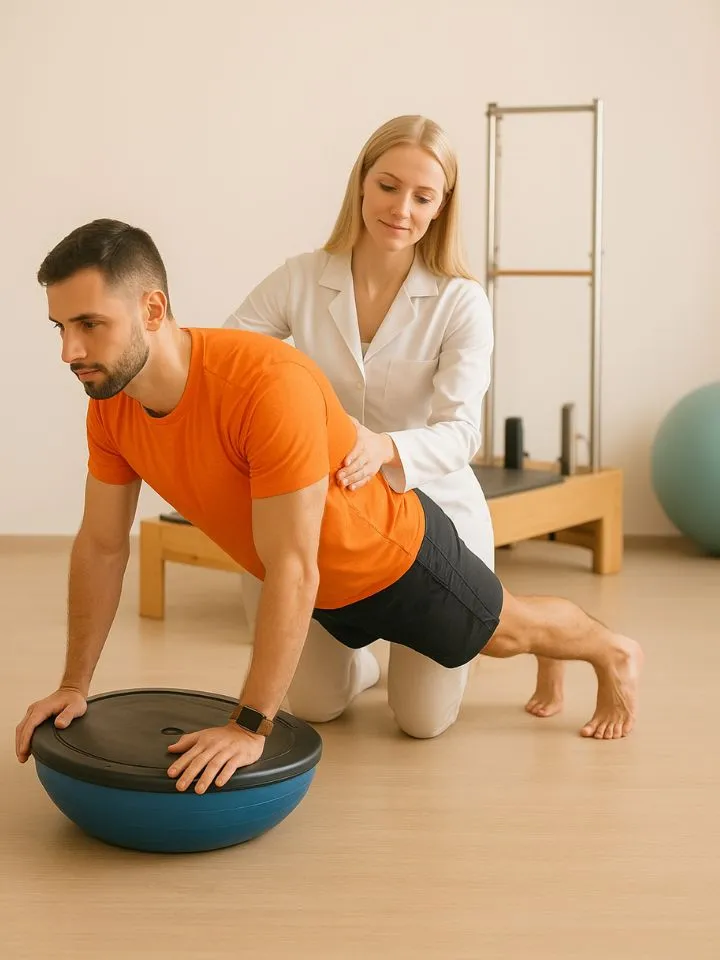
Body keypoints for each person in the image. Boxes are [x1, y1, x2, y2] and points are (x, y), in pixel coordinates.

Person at [15, 219, 643, 797]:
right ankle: (420, 655)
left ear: (152, 310)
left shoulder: (265, 386)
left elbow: (294, 565)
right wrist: (73, 686)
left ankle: (604, 649)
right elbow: (102, 545)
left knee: (480, 662)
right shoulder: (112, 405)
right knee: (316, 704)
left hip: (395, 559)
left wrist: (248, 726)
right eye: (60, 328)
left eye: (89, 324)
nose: (69, 351)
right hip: (317, 589)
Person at [223, 114, 563, 735]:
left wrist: (383, 447)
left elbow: (462, 432)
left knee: (421, 722)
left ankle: (542, 640)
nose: (401, 208)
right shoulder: (301, 277)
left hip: (430, 514)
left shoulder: (460, 301)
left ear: (442, 206)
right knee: (316, 705)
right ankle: (359, 666)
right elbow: (230, 361)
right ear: (361, 182)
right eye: (387, 185)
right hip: (326, 512)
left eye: (422, 196)